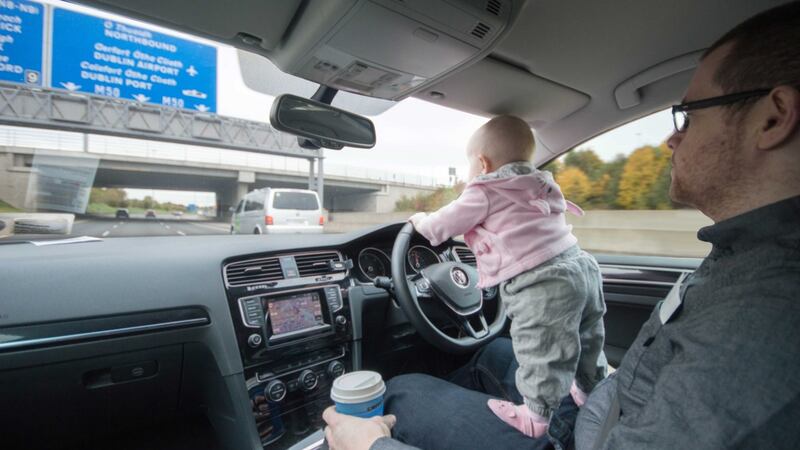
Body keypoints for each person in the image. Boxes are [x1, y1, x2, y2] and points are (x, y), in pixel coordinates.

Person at [323, 2, 800, 449]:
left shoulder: (766, 313)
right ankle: (576, 389)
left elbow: (439, 228)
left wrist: (374, 444)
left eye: (689, 116)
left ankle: (534, 416)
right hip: (598, 358)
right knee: (504, 352)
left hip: (591, 435)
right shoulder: (745, 259)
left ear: (774, 117)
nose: (671, 139)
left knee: (400, 391)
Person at [406, 114, 607, 439]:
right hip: (581, 266)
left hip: (542, 282)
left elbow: (440, 227)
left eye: (469, 164)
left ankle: (536, 416)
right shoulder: (540, 183)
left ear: (482, 163)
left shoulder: (485, 189)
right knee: (587, 335)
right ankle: (589, 388)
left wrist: (420, 221)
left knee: (541, 347)